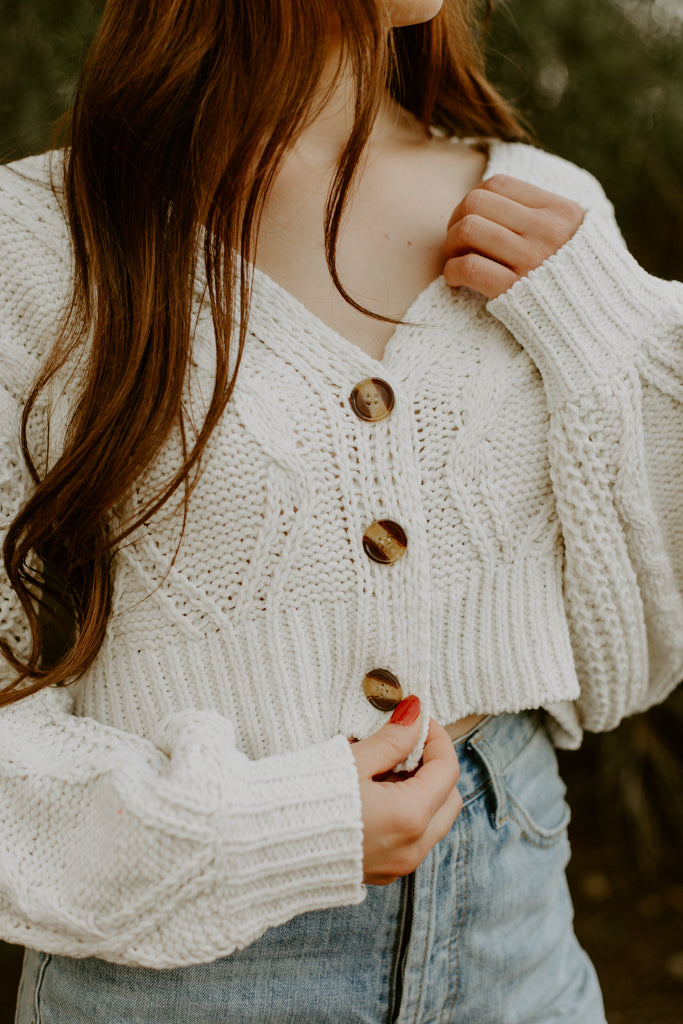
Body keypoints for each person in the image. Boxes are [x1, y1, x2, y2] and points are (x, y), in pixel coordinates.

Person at [2, 1, 682, 1021]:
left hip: (513, 937)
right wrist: (268, 832)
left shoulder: (543, 206)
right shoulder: (39, 246)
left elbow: (629, 657)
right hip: (184, 971)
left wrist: (613, 330)